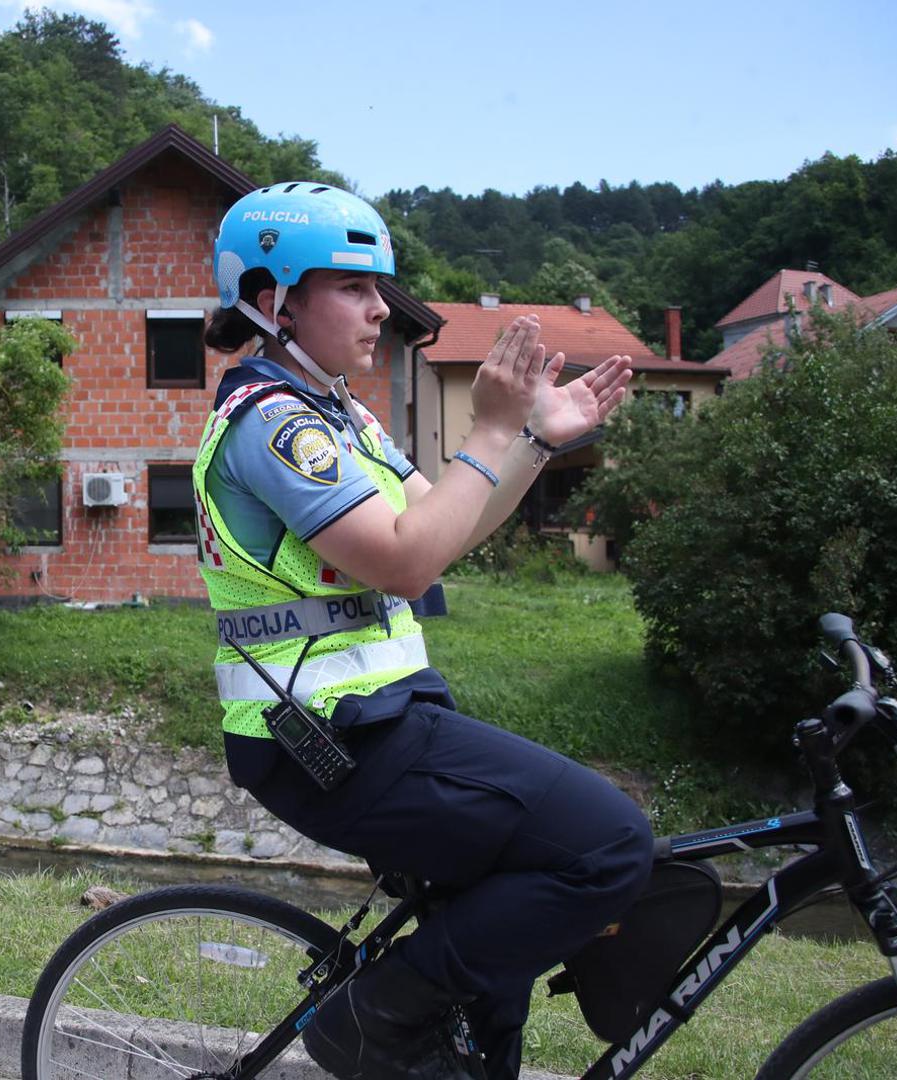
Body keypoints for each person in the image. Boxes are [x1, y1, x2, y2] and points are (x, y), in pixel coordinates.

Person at [195, 184, 654, 1079]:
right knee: (609, 845)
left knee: (498, 944)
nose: (380, 309)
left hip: (378, 722)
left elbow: (444, 532)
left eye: (380, 288)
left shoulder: (341, 414)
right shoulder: (274, 426)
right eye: (352, 287)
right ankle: (368, 1021)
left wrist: (533, 440)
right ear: (274, 301)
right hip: (325, 739)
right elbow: (406, 565)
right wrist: (491, 425)